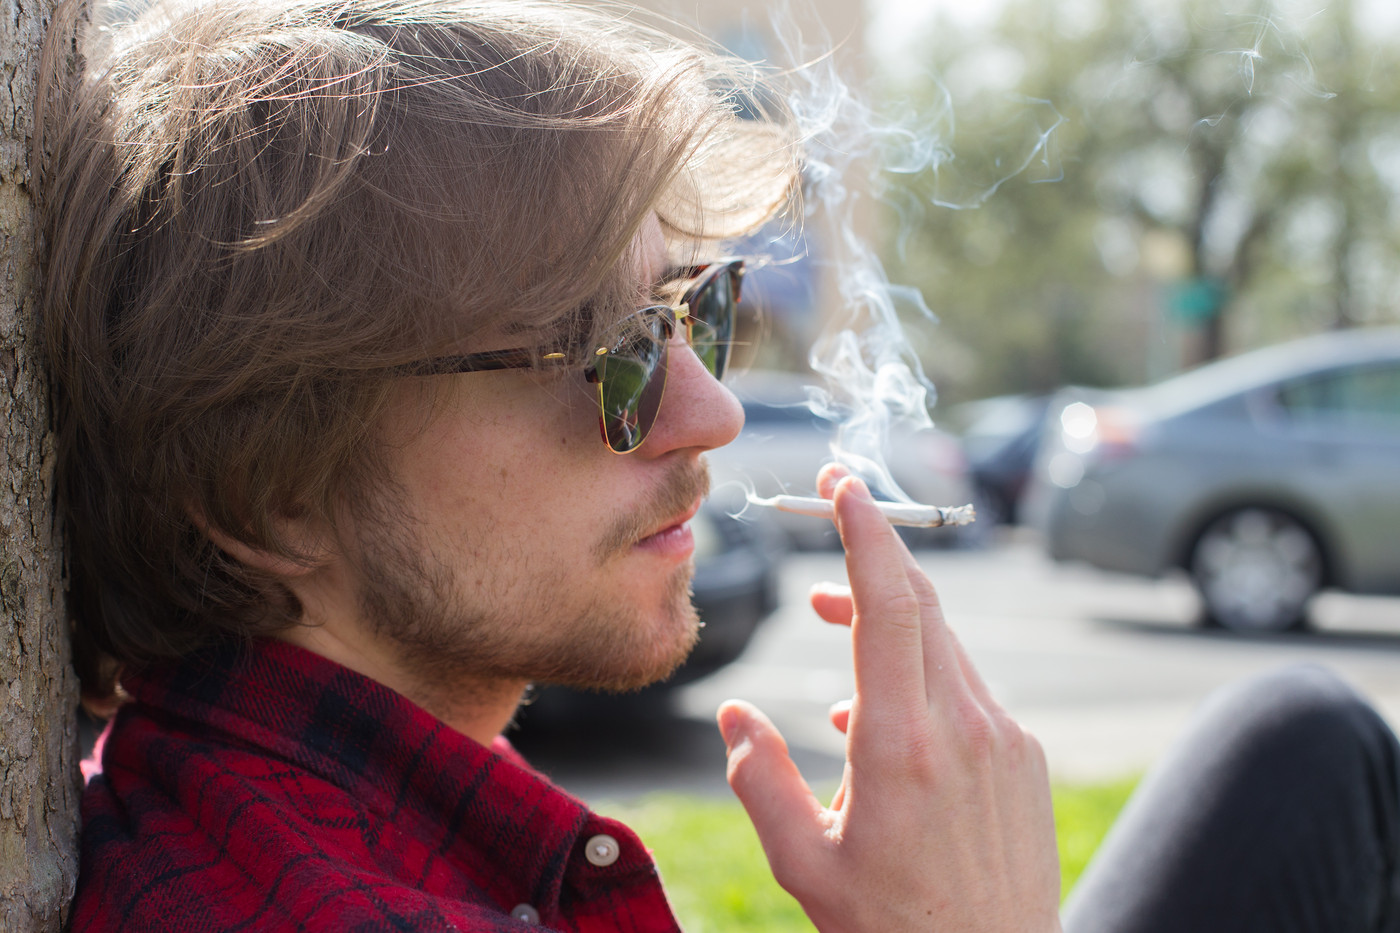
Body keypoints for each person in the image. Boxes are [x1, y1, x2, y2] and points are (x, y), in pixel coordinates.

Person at [37, 0, 1400, 931]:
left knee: (1302, 744)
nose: (710, 411)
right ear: (268, 490)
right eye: (592, 348)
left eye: (690, 313)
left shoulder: (291, 798)